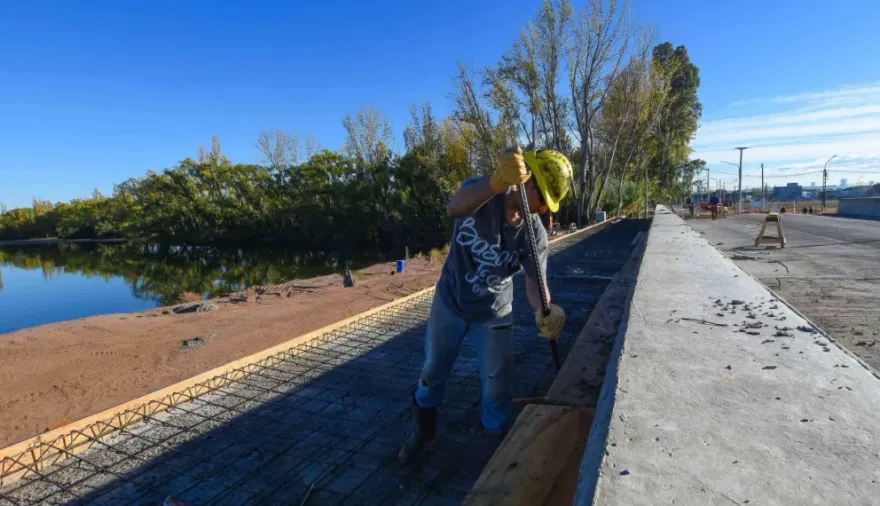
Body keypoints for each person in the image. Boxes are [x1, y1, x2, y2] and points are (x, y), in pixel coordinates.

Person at [398, 147, 572, 463]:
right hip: (450, 301)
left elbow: (535, 283)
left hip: (494, 313)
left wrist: (545, 309)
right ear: (527, 181)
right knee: (432, 371)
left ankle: (497, 452)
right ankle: (422, 433)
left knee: (497, 386)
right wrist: (495, 183)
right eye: (543, 199)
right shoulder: (480, 192)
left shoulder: (534, 233)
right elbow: (454, 208)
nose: (545, 209)